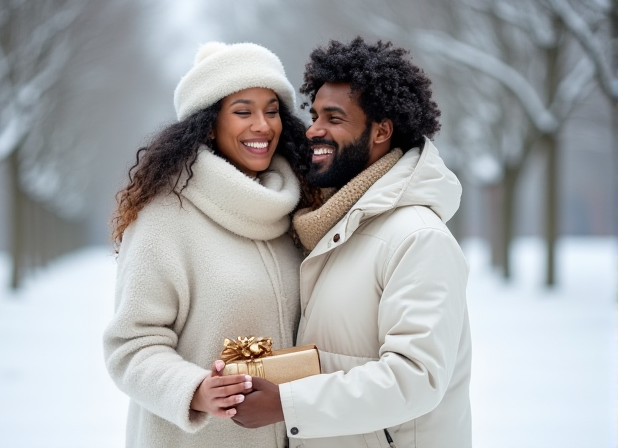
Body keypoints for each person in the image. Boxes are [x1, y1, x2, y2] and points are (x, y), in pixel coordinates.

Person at [231, 37, 472, 448]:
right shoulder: (329, 228)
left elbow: (416, 378)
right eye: (314, 114)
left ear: (381, 131)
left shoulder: (417, 237)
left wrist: (287, 404)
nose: (313, 130)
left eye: (334, 118)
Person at [103, 42, 319, 448]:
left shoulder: (303, 209)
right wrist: (196, 390)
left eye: (271, 110)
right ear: (207, 123)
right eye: (243, 111)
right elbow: (130, 346)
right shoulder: (164, 216)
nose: (263, 125)